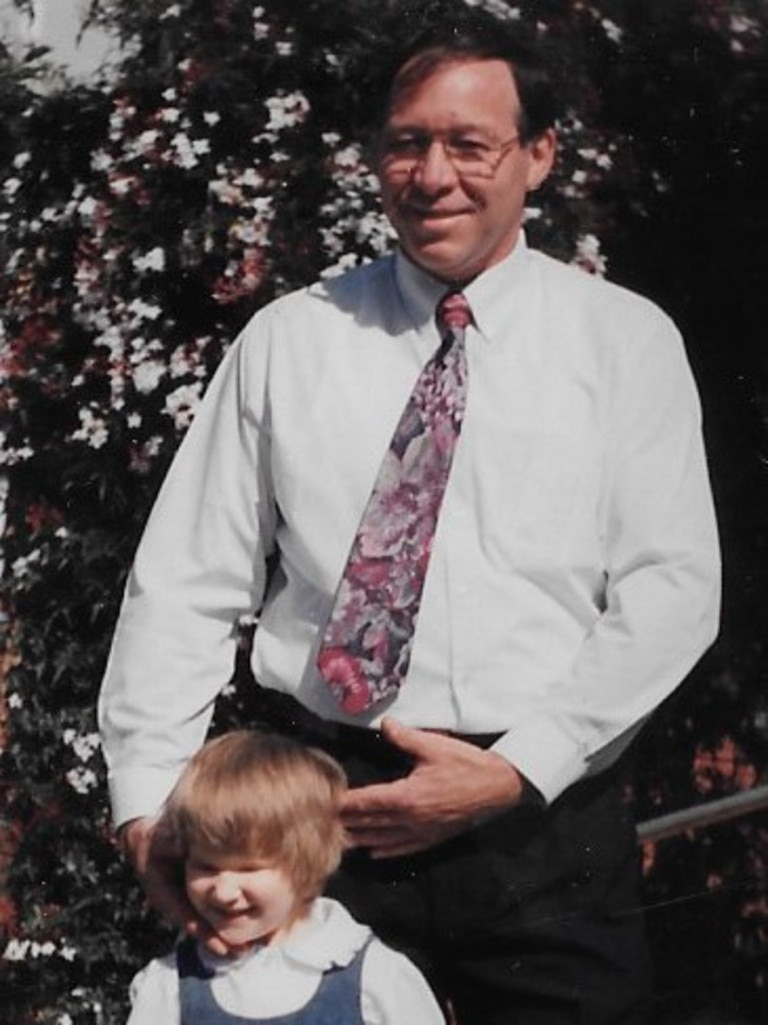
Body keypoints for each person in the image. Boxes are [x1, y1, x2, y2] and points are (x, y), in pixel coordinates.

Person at [99, 5, 721, 1023]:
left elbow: (673, 586)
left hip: (538, 824)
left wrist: (521, 767)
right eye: (407, 142)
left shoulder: (625, 345)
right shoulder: (291, 342)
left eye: (470, 144)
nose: (433, 174)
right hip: (319, 820)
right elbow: (186, 580)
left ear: (540, 155)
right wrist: (143, 799)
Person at [124, 729, 445, 1024]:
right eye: (206, 867)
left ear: (308, 862)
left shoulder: (376, 977)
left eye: (248, 868)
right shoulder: (171, 986)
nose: (223, 891)